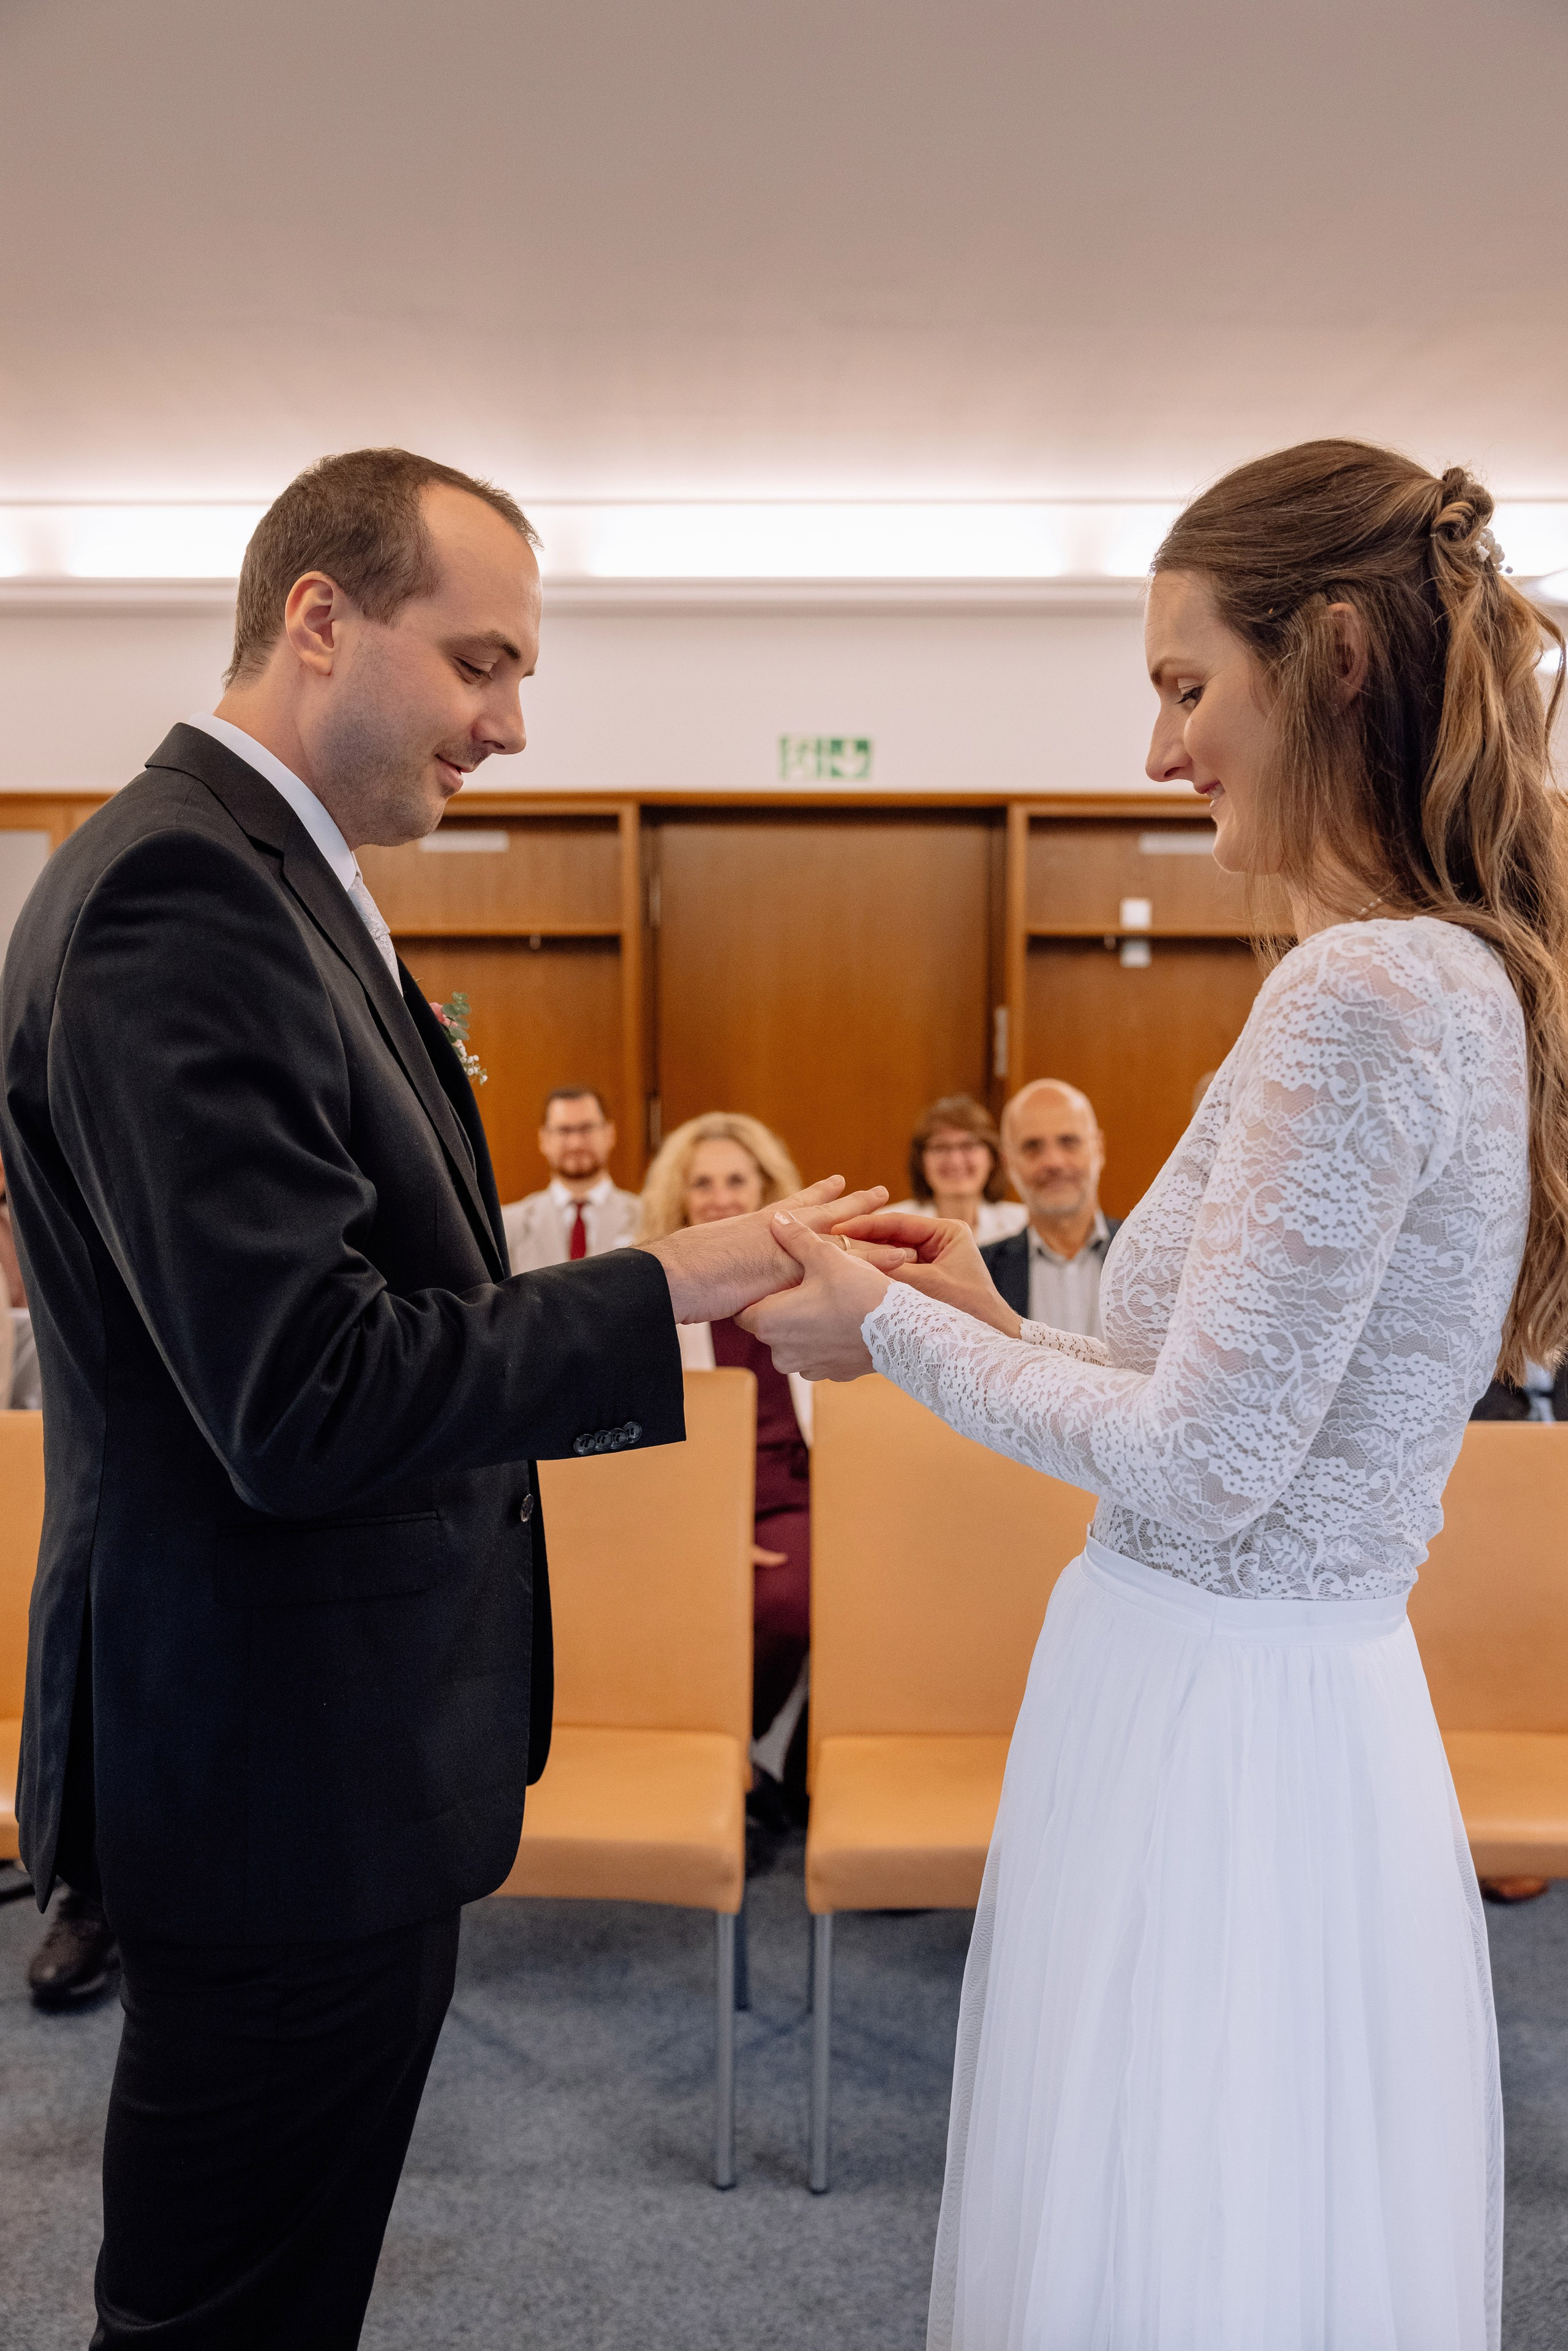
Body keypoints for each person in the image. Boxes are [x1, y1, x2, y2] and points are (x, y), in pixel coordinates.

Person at [0, 446, 903, 2349]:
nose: (509, 721)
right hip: (273, 1771)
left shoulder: (270, 879)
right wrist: (672, 1280)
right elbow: (308, 1389)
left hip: (321, 1751)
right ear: (319, 619)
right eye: (480, 662)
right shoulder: (183, 891)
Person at [742, 440, 1568, 2350]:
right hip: (1290, 1687)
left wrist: (889, 1337)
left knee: (1180, 2226)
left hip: (1218, 1707)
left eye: (1187, 685)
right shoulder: (1447, 981)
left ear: (1332, 657)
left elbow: (1203, 1461)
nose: (1159, 747)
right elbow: (1207, 1392)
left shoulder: (1360, 997)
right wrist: (984, 1314)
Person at [638, 1113, 814, 1792]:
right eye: (702, 1183)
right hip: (696, 1497)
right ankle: (723, 1765)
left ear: (765, 1189)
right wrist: (710, 1529)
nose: (720, 1198)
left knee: (785, 1605)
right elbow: (645, 1451)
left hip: (796, 1494)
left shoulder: (813, 1281)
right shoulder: (650, 1297)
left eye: (736, 1181)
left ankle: (736, 1753)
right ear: (679, 1199)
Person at [979, 1079, 1118, 1334]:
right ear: (1008, 1163)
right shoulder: (981, 1275)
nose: (1054, 1162)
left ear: (1099, 1148)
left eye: (1069, 1142)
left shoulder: (1154, 1258)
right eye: (1032, 1147)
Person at [501, 1085, 641, 1272]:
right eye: (564, 1131)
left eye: (587, 1129)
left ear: (610, 1134)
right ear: (544, 1139)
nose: (576, 1144)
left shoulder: (648, 1218)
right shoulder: (507, 1226)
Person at [889, 1094, 1027, 1245]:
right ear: (920, 1160)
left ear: (993, 1157)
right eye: (941, 1147)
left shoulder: (1024, 1225)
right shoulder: (890, 1228)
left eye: (968, 1146)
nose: (955, 1160)